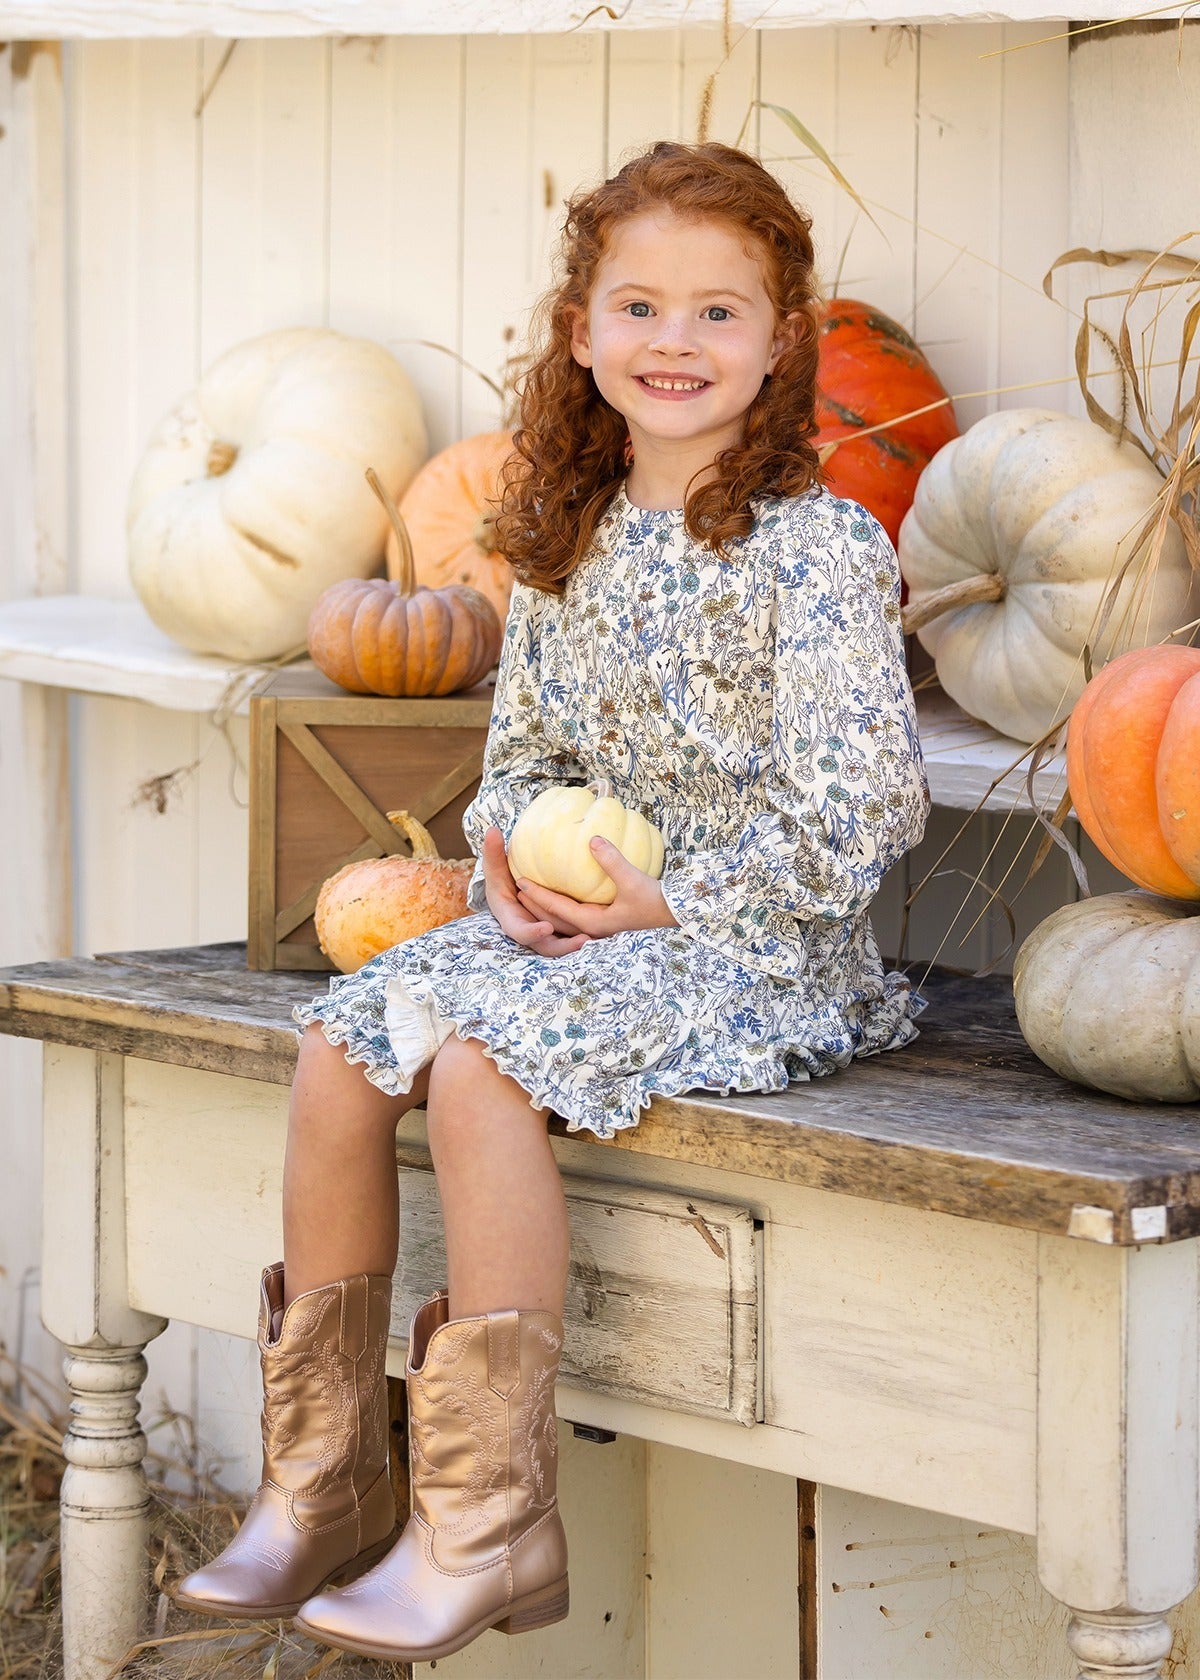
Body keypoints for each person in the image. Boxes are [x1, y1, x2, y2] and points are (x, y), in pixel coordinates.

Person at [175, 139, 930, 1664]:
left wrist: (672, 904)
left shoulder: (818, 550)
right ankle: (324, 1479)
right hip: (586, 925)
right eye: (638, 306)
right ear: (578, 331)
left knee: (475, 1058)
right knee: (343, 1042)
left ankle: (490, 1518)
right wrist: (510, 857)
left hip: (760, 944)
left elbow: (867, 813)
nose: (674, 342)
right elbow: (525, 759)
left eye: (719, 313)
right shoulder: (563, 541)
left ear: (784, 345)